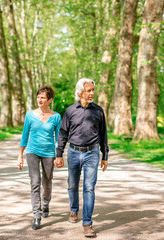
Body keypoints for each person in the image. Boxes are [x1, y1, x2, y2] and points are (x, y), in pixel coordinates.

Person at [54, 78, 109, 238]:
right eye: (88, 90)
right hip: (73, 152)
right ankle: (73, 209)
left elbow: (103, 134)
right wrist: (59, 154)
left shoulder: (98, 111)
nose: (92, 93)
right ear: (80, 92)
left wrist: (105, 155)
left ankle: (87, 223)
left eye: (93, 90)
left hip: (92, 153)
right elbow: (63, 133)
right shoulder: (70, 111)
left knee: (89, 188)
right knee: (72, 185)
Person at [18, 86, 61, 230]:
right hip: (32, 151)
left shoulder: (56, 116)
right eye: (38, 97)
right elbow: (25, 135)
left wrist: (59, 155)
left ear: (50, 100)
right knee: (35, 182)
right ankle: (37, 215)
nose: (39, 100)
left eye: (43, 98)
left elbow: (58, 139)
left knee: (47, 182)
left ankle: (46, 204)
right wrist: (20, 155)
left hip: (49, 153)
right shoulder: (30, 115)